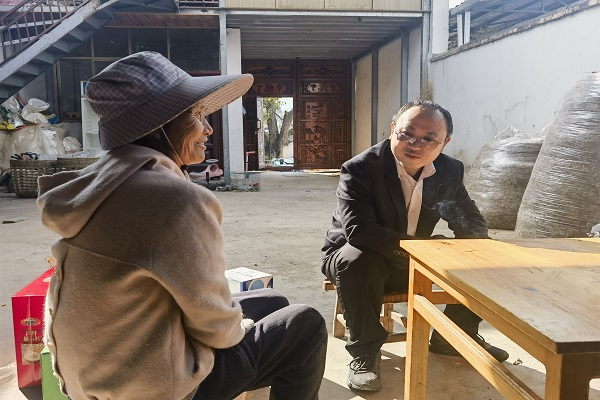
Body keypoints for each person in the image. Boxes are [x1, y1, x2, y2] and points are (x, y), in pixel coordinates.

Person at [38, 51, 327, 400]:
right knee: (305, 324)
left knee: (273, 300)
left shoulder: (101, 181)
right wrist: (237, 328)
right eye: (197, 115)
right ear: (159, 123)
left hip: (87, 374)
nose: (208, 128)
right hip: (147, 388)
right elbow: (216, 327)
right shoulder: (175, 200)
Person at [321, 100, 509, 392]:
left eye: (428, 139)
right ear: (393, 129)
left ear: (445, 142)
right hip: (359, 258)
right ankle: (364, 353)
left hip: (412, 255)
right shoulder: (361, 168)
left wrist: (477, 248)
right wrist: (422, 252)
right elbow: (360, 232)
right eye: (407, 134)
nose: (415, 144)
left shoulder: (449, 170)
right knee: (357, 259)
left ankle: (454, 337)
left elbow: (470, 219)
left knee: (486, 253)